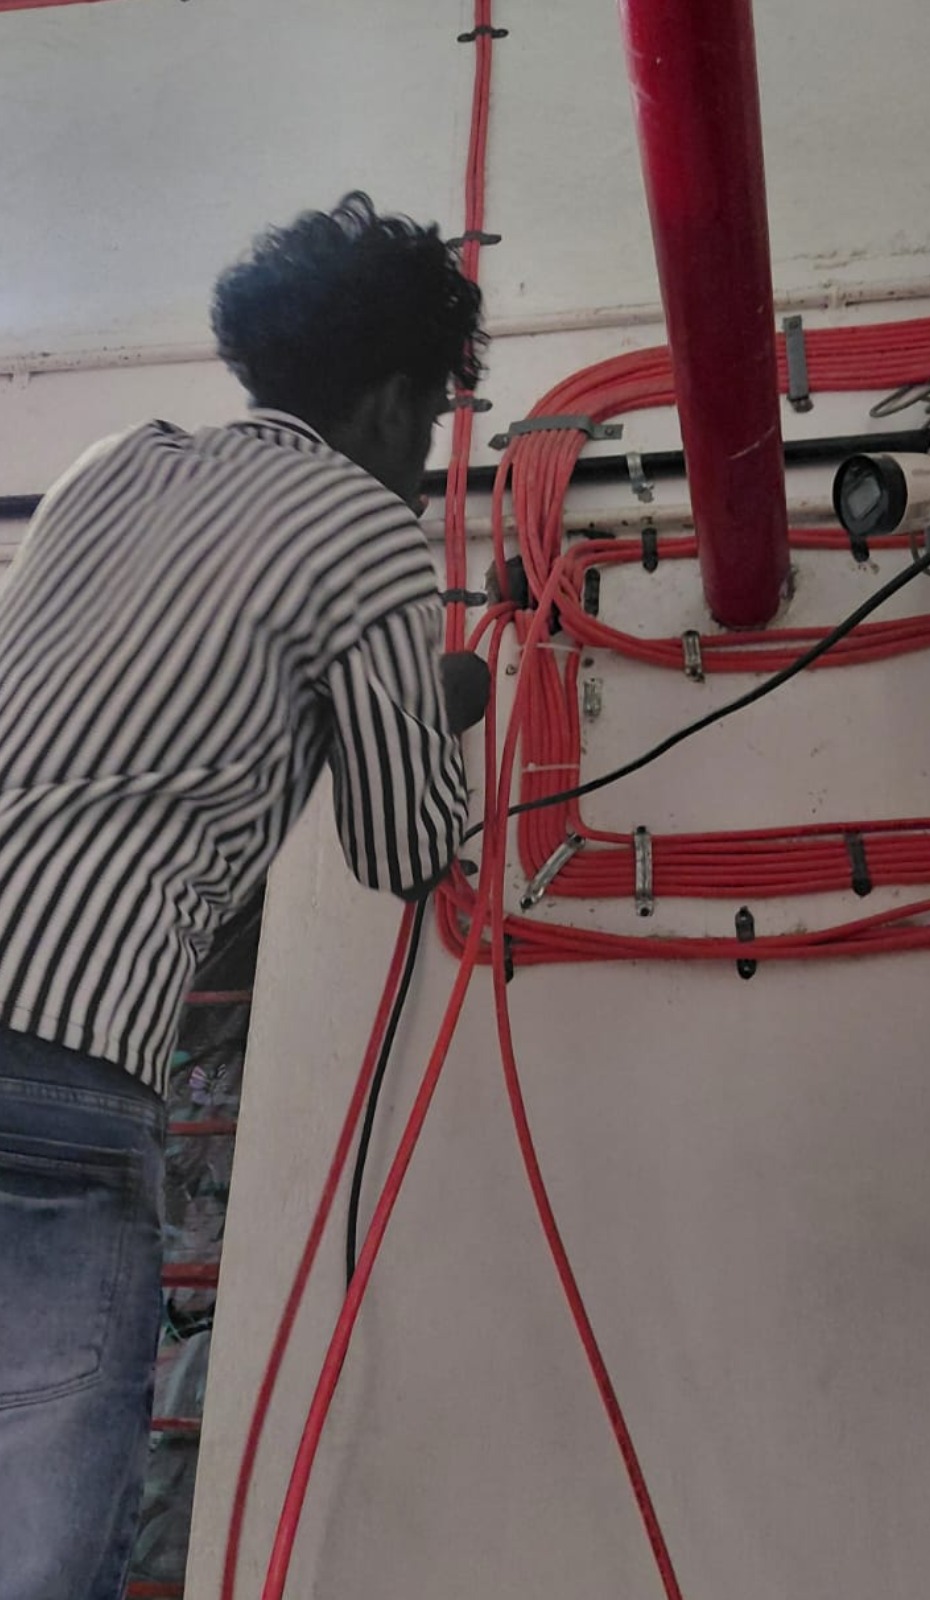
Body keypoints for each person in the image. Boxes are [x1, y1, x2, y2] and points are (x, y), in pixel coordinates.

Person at [0, 193, 490, 1600]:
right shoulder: (369, 535)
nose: (424, 459)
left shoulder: (110, 463)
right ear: (393, 401)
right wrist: (447, 697)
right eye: (433, 420)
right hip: (58, 1068)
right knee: (41, 1548)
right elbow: (402, 843)